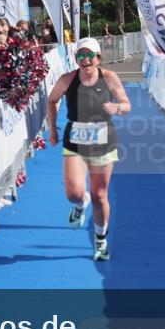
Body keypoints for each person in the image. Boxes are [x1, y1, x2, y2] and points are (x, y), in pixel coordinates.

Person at [47, 37, 132, 262]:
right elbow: (52, 100)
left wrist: (116, 107)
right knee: (73, 193)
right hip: (75, 141)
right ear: (76, 59)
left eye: (89, 56)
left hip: (103, 142)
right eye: (80, 56)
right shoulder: (67, 79)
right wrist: (52, 130)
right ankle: (80, 203)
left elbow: (126, 105)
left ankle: (101, 239)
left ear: (98, 58)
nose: (85, 60)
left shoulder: (109, 78)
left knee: (99, 194)